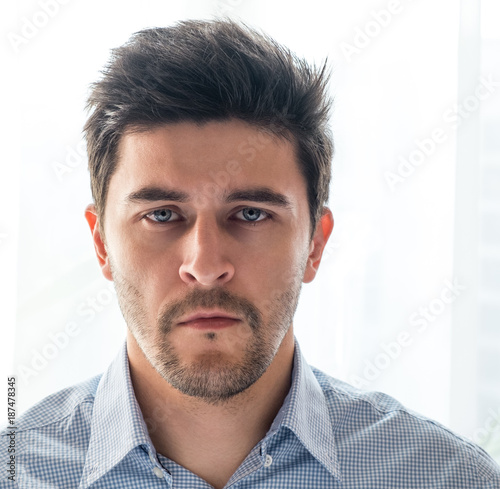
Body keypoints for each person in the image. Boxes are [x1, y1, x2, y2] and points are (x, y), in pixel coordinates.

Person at [2, 19, 499, 489]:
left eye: (252, 214)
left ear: (315, 244)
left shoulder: (448, 476)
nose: (205, 265)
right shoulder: (15, 472)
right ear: (101, 243)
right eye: (161, 215)